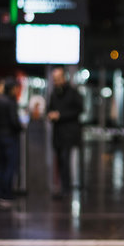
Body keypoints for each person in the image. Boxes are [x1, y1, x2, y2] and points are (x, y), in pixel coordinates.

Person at [48, 67, 83, 197]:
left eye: (57, 79)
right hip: (58, 134)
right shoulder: (54, 94)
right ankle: (62, 186)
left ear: (63, 78)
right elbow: (49, 108)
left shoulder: (73, 93)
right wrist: (51, 115)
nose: (55, 82)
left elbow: (79, 110)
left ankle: (66, 188)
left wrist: (60, 115)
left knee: (65, 159)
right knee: (60, 160)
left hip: (69, 133)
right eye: (54, 80)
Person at [0, 77, 22, 207]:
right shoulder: (11, 102)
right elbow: (14, 122)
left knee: (0, 166)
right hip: (10, 138)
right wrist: (20, 127)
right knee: (9, 166)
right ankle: (6, 193)